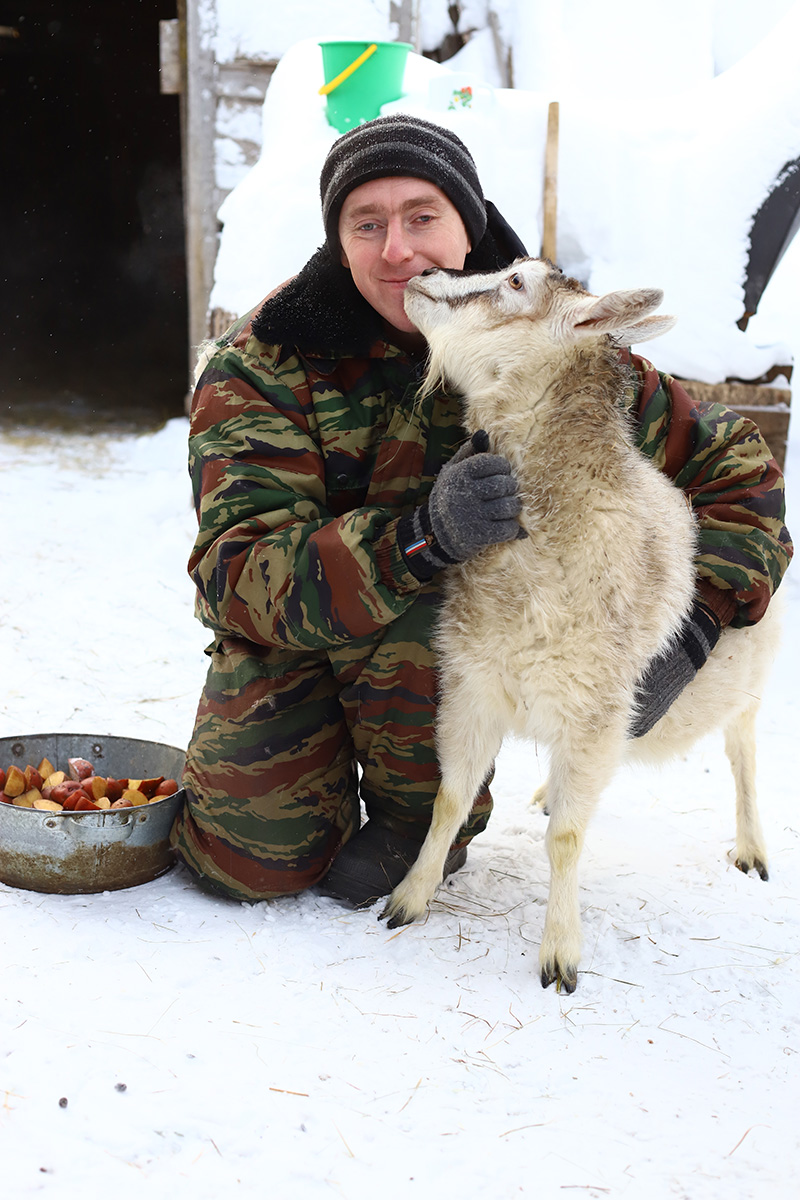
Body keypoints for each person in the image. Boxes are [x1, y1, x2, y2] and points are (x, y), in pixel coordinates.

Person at [170, 114, 792, 906]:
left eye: (423, 217)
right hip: (299, 636)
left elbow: (741, 471)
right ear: (339, 242)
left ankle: (420, 820)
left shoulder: (545, 340)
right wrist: (417, 538)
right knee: (245, 864)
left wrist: (699, 618)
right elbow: (236, 575)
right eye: (368, 224)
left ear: (469, 226)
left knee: (459, 608)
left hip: (446, 651)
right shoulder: (264, 365)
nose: (398, 250)